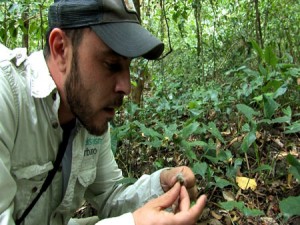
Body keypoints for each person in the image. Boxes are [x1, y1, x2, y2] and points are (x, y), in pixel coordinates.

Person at [0, 0, 207, 224]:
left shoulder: (87, 114)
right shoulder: (7, 95)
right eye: (111, 64)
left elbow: (109, 197)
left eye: (128, 66)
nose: (126, 87)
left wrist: (159, 186)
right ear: (61, 49)